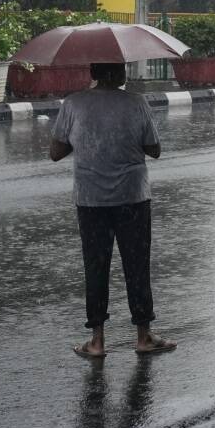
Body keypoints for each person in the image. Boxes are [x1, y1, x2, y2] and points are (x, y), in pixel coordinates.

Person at [50, 62, 177, 357]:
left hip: (91, 199)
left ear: (93, 73)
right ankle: (144, 336)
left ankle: (96, 341)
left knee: (95, 267)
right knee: (137, 265)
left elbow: (55, 152)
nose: (125, 71)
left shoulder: (73, 104)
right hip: (133, 197)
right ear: (115, 73)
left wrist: (86, 138)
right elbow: (154, 149)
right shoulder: (136, 102)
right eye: (122, 66)